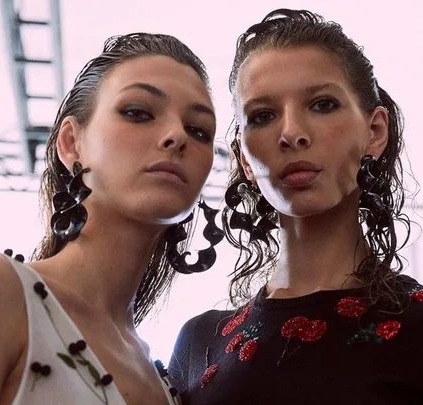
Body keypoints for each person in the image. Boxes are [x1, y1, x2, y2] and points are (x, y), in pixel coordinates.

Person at [0, 32, 222, 405]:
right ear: (71, 143)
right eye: (137, 112)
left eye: (198, 130)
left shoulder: (165, 382)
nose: (175, 136)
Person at [169, 9, 423, 404]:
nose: (291, 133)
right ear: (244, 159)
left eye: (322, 104)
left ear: (374, 132)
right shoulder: (197, 345)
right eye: (263, 115)